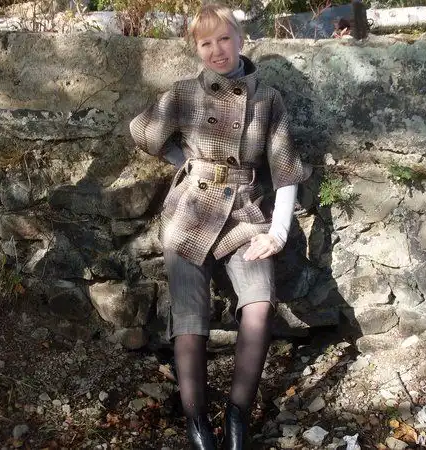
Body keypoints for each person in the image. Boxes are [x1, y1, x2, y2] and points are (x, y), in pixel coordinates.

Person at [130, 4, 311, 449]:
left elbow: (286, 171)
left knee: (259, 306)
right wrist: (187, 163)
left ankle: (236, 418)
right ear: (196, 48)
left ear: (240, 40)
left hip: (245, 215)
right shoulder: (183, 93)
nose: (217, 50)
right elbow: (143, 131)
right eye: (205, 43)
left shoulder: (268, 99)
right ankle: (196, 424)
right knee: (189, 316)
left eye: (224, 38)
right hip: (189, 213)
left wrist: (277, 233)